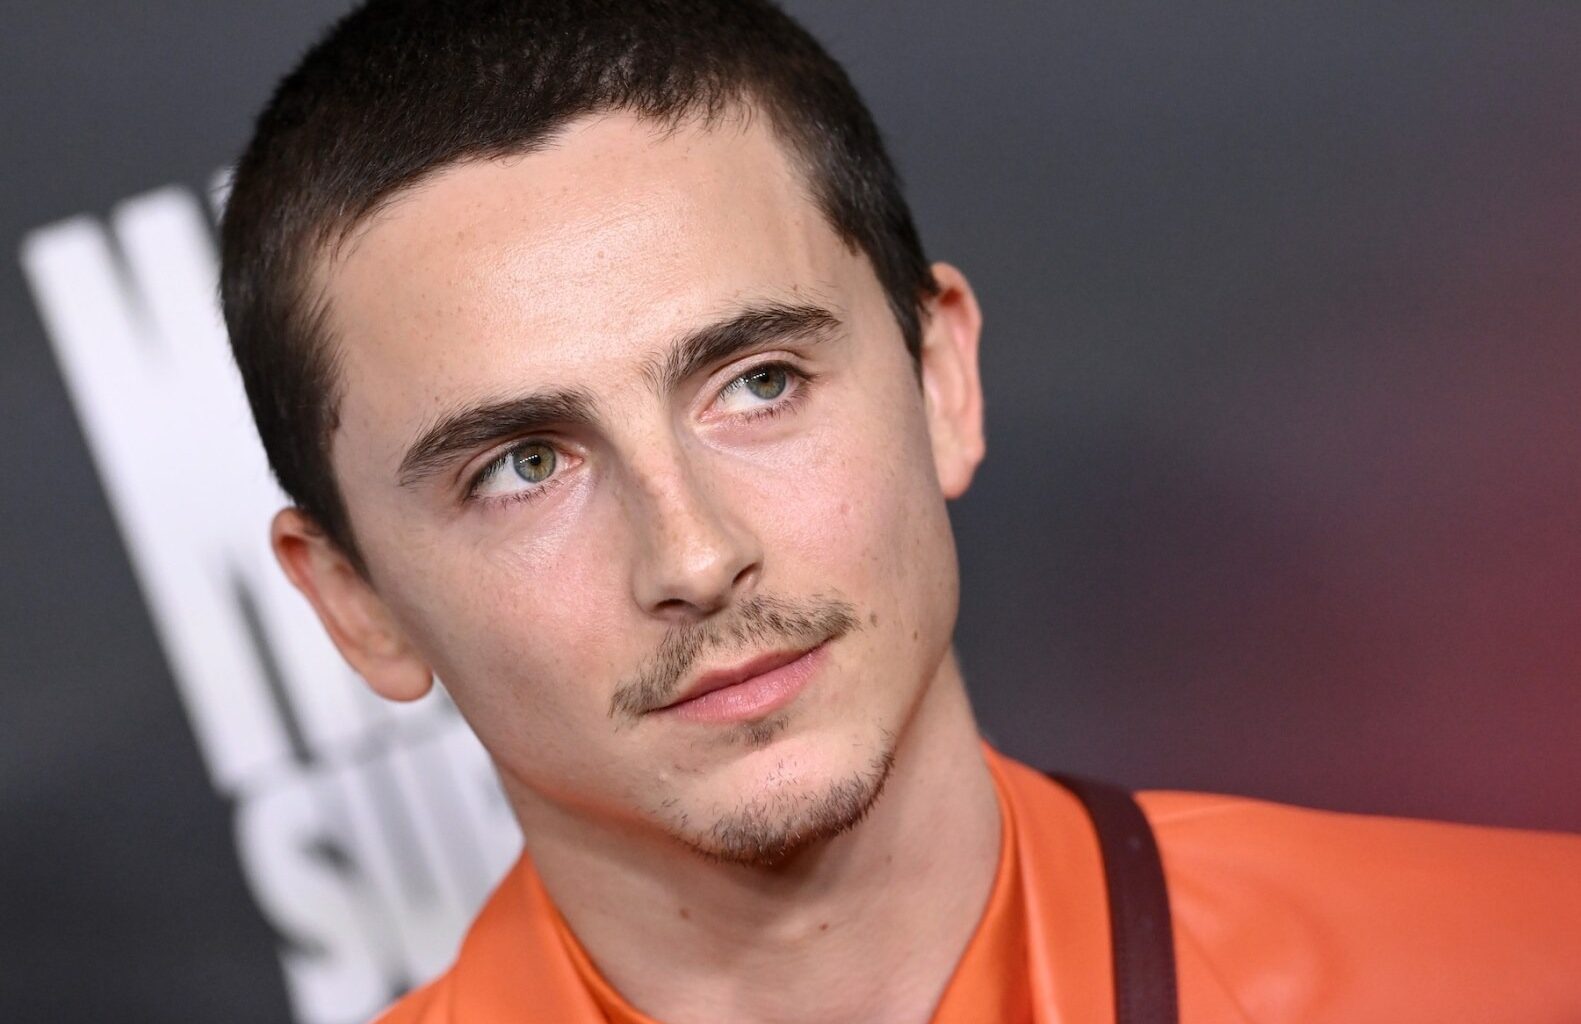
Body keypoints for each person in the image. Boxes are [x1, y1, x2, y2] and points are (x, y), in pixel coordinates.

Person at [219, 1, 1581, 1021]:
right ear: (356, 604)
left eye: (758, 383)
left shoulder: (1525, 969)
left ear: (942, 382)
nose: (695, 553)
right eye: (523, 465)